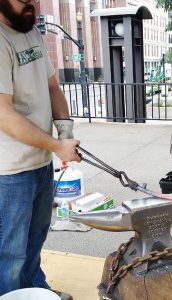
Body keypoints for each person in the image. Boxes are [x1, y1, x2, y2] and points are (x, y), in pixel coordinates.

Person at [0, 0, 81, 299]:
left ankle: (35, 290)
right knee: (9, 254)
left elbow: (52, 87)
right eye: (25, 0)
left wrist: (65, 129)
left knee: (34, 241)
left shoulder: (31, 31)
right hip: (8, 172)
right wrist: (58, 145)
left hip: (39, 162)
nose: (32, 5)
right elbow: (4, 116)